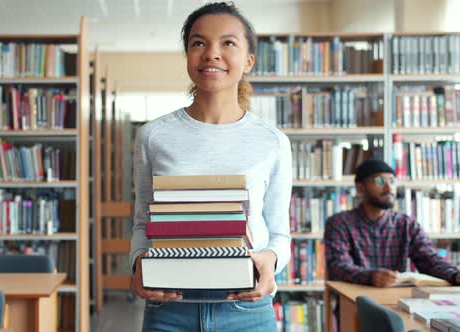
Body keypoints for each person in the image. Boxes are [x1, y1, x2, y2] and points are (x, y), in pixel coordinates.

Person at [129, 2, 292, 331]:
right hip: (169, 308)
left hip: (246, 310)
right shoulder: (152, 136)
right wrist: (137, 266)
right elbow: (141, 223)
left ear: (248, 60)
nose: (211, 54)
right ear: (187, 55)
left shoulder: (273, 141)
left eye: (228, 43)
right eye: (198, 43)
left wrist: (270, 261)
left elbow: (279, 233)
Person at [324, 159, 460, 287]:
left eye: (392, 181)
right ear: (360, 188)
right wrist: (370, 277)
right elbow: (338, 266)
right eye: (380, 181)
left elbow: (430, 260)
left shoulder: (407, 224)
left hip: (396, 301)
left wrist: (454, 275)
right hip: (353, 302)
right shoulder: (339, 223)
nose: (389, 188)